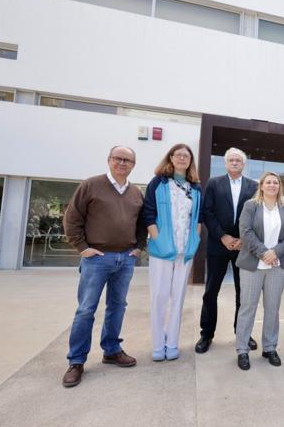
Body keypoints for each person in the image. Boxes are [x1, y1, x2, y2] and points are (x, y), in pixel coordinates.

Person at [62, 146, 146, 388]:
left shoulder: (135, 193)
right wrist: (82, 247)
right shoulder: (91, 185)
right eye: (118, 159)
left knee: (117, 306)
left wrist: (139, 247)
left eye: (128, 160)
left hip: (125, 258)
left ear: (133, 164)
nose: (122, 163)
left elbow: (142, 223)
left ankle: (111, 350)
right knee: (86, 309)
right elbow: (72, 218)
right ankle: (76, 361)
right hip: (96, 258)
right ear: (109, 160)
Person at [195, 148, 258, 354]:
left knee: (244, 293)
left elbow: (256, 216)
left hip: (244, 247)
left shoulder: (253, 186)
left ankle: (242, 333)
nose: (234, 163)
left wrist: (242, 239)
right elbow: (207, 212)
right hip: (217, 244)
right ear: (225, 163)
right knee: (211, 291)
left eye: (238, 160)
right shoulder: (214, 183)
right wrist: (223, 236)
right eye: (231, 160)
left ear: (244, 164)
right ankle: (206, 334)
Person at [142, 143, 201, 362]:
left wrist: (195, 240)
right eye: (178, 155)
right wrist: (157, 238)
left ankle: (172, 342)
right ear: (171, 157)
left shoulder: (194, 186)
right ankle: (158, 344)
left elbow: (198, 217)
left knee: (178, 298)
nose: (182, 158)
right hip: (162, 250)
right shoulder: (158, 182)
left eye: (186, 156)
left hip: (185, 250)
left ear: (190, 160)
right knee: (159, 297)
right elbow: (148, 213)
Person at [234, 172, 284, 370]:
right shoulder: (251, 206)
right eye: (268, 182)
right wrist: (264, 253)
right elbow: (245, 231)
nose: (272, 185)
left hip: (277, 266)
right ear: (261, 186)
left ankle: (269, 347)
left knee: (272, 308)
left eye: (275, 182)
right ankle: (242, 350)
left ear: (279, 186)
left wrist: (276, 252)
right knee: (248, 307)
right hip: (253, 264)